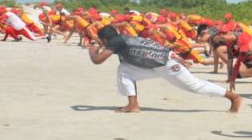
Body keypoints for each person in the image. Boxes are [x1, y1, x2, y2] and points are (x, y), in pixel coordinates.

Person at [89, 25, 242, 113]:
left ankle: (233, 97)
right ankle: (133, 105)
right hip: (155, 64)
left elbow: (97, 60)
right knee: (124, 69)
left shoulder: (116, 41)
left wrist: (92, 49)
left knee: (195, 86)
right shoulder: (124, 38)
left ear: (105, 39)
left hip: (165, 65)